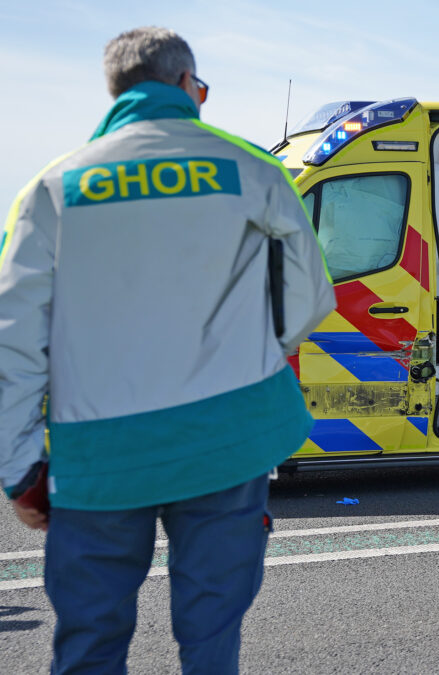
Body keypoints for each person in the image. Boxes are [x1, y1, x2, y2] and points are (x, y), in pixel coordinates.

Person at [0, 27, 335, 673]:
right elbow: (310, 296)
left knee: (89, 646)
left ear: (116, 90)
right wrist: (245, 354)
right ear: (187, 85)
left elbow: (13, 345)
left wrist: (19, 471)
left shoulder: (52, 189)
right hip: (227, 440)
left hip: (99, 455)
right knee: (211, 643)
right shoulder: (252, 169)